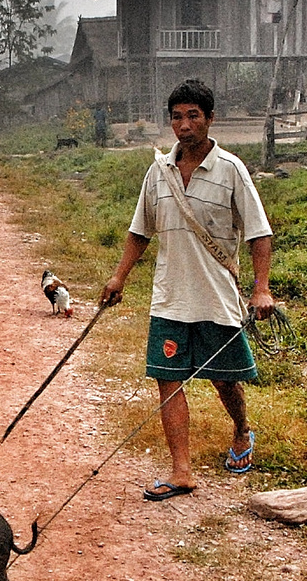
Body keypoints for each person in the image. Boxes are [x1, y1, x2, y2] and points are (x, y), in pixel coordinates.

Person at [99, 79, 276, 501]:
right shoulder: (158, 172)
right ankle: (182, 471)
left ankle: (241, 430)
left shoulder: (230, 169)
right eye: (177, 117)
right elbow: (139, 231)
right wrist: (118, 277)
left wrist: (262, 289)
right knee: (168, 379)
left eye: (193, 115)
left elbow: (259, 234)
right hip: (169, 298)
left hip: (216, 297)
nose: (184, 125)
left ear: (210, 119)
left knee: (224, 380)